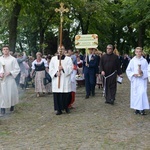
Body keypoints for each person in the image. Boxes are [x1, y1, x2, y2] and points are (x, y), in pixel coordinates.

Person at [49, 46, 73, 115]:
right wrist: (56, 73)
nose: (60, 50)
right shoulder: (53, 59)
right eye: (59, 49)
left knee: (66, 95)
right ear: (57, 50)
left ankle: (66, 107)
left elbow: (70, 68)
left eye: (62, 49)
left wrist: (63, 68)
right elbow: (51, 68)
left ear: (64, 50)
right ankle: (58, 109)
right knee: (57, 95)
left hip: (65, 79)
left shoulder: (68, 59)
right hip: (57, 80)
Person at [126, 47, 149, 115]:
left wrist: (142, 72)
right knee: (135, 94)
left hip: (142, 80)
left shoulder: (144, 61)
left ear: (141, 52)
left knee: (142, 93)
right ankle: (136, 109)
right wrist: (133, 74)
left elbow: (148, 70)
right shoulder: (132, 61)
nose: (138, 53)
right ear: (135, 52)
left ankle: (142, 109)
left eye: (140, 51)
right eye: (137, 51)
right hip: (135, 80)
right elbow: (128, 70)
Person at [0, 46, 20, 116]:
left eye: (7, 49)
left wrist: (10, 72)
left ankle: (12, 105)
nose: (5, 50)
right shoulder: (0, 59)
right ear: (2, 51)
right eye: (4, 49)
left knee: (11, 93)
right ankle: (2, 109)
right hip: (2, 80)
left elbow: (17, 69)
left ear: (9, 50)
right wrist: (1, 73)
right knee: (2, 94)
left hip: (10, 79)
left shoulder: (13, 59)